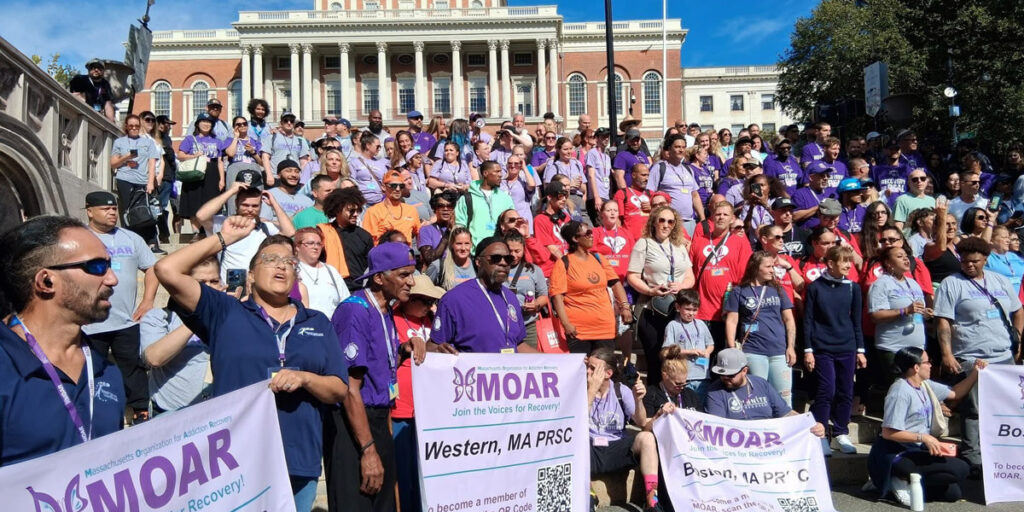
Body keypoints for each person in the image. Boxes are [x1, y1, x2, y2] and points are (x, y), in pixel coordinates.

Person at [154, 217, 348, 511]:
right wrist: (223, 238)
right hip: (234, 460)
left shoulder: (317, 322)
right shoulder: (224, 313)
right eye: (271, 259)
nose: (282, 265)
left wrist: (306, 379)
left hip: (298, 458)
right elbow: (166, 269)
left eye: (289, 262)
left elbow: (338, 388)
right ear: (251, 275)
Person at [0, 216, 125, 465]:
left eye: (110, 265)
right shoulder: (5, 366)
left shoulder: (105, 371)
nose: (112, 279)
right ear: (46, 281)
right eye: (97, 266)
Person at [327, 242, 419, 512]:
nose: (411, 282)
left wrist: (404, 349)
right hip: (354, 423)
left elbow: (379, 363)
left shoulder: (385, 309)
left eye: (411, 274)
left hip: (378, 419)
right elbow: (349, 388)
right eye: (403, 275)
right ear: (379, 277)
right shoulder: (355, 309)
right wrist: (367, 450)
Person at [934, 237, 1024, 469]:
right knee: (973, 409)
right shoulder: (951, 284)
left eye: (974, 261)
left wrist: (1018, 340)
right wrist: (947, 354)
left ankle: (1002, 453)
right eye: (964, 262)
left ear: (985, 259)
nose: (969, 265)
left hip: (1004, 354)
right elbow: (943, 321)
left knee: (1007, 409)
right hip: (973, 356)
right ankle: (973, 457)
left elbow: (1018, 311)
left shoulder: (1000, 280)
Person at [70, 192, 156, 425]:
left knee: (133, 367)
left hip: (125, 321)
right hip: (89, 322)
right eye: (105, 209)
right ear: (89, 211)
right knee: (90, 371)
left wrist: (148, 301)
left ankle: (140, 410)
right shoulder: (79, 239)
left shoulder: (131, 238)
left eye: (114, 209)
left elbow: (153, 269)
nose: (112, 213)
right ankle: (92, 413)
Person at [868, 348, 983, 505]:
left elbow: (955, 393)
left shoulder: (925, 384)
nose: (930, 365)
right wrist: (923, 437)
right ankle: (894, 478)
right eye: (927, 362)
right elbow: (888, 433)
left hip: (917, 448)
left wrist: (976, 373)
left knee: (953, 493)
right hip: (896, 451)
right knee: (960, 468)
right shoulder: (900, 391)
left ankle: (905, 482)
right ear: (916, 367)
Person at [803, 244, 865, 455]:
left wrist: (861, 350)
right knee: (826, 390)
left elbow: (857, 322)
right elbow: (808, 321)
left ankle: (840, 432)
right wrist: (808, 350)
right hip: (822, 347)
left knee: (846, 390)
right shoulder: (815, 287)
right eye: (843, 261)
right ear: (830, 263)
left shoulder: (853, 287)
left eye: (850, 261)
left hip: (847, 346)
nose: (848, 265)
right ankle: (821, 433)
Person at [140, 256, 220, 415]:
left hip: (217, 412)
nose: (209, 288)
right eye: (202, 282)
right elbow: (154, 358)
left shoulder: (228, 314)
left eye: (214, 281)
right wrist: (199, 316)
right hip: (172, 413)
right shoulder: (159, 317)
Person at [586, 348, 663, 512]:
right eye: (588, 366)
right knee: (574, 443)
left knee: (646, 438)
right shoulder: (582, 390)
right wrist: (591, 390)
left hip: (615, 447)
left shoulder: (620, 390)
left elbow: (642, 423)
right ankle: (588, 494)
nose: (587, 371)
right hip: (590, 449)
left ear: (607, 373)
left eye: (593, 368)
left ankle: (652, 499)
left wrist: (638, 399)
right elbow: (575, 423)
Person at [390, 274, 442, 512]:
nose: (428, 306)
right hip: (401, 407)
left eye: (431, 301)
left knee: (427, 471)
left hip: (430, 408)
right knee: (404, 472)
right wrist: (404, 348)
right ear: (408, 299)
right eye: (423, 300)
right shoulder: (392, 319)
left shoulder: (434, 321)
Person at [627, 206, 695, 384]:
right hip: (652, 309)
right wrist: (650, 290)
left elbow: (690, 276)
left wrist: (681, 285)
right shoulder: (644, 243)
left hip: (676, 308)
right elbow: (632, 276)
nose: (666, 225)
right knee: (656, 360)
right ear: (654, 222)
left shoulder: (679, 246)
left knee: (675, 359)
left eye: (670, 221)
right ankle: (654, 402)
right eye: (662, 220)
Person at [429, 237, 531, 353]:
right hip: (471, 370)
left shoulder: (511, 298)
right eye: (495, 258)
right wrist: (438, 350)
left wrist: (553, 363)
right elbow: (433, 346)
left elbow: (518, 344)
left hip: (507, 369)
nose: (503, 263)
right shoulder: (454, 299)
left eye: (508, 259)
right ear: (478, 262)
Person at [724, 251, 797, 405]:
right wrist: (733, 348)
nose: (772, 270)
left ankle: (783, 429)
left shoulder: (778, 289)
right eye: (768, 266)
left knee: (784, 398)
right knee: (756, 397)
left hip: (779, 352)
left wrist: (791, 347)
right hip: (753, 351)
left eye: (773, 266)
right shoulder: (739, 291)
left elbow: (789, 319)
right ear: (756, 268)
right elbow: (732, 321)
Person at [704, 349, 826, 439]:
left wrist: (810, 424)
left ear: (744, 371)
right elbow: (717, 428)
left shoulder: (760, 384)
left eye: (731, 375)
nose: (725, 378)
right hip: (738, 442)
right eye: (721, 374)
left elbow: (786, 413)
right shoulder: (715, 391)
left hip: (768, 439)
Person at [550, 221, 631, 354]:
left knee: (604, 371)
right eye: (587, 233)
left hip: (605, 328)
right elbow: (557, 297)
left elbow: (616, 284)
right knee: (583, 372)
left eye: (591, 232)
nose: (592, 235)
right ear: (575, 238)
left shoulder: (599, 258)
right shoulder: (563, 263)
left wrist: (625, 306)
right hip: (578, 330)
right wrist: (566, 324)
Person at [196, 182, 295, 282]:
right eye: (245, 205)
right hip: (229, 288)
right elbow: (201, 216)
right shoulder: (224, 223)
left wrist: (274, 203)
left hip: (257, 286)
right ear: (236, 203)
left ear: (261, 205)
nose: (250, 209)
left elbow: (290, 232)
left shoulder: (266, 227)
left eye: (255, 206)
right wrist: (230, 192)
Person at [689, 202, 753, 345]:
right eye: (718, 214)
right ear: (712, 217)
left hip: (728, 311)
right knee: (702, 355)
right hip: (701, 310)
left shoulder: (740, 242)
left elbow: (745, 274)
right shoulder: (699, 241)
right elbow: (690, 271)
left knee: (724, 357)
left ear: (732, 219)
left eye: (725, 214)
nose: (721, 217)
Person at [868, 245, 931, 383]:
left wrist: (925, 313)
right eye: (899, 256)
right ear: (888, 263)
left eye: (905, 255)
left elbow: (916, 311)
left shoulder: (913, 283)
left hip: (917, 348)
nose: (905, 259)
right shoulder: (881, 284)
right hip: (894, 348)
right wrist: (904, 311)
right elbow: (875, 315)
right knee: (899, 388)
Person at [177, 113, 227, 232]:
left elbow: (220, 162)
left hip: (212, 174)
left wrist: (222, 179)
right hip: (195, 174)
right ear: (197, 124)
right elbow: (180, 155)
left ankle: (207, 231)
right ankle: (196, 232)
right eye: (203, 121)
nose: (206, 124)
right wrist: (193, 156)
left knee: (210, 204)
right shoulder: (190, 139)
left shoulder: (217, 141)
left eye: (209, 122)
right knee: (193, 203)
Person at [661, 289, 714, 398]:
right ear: (678, 307)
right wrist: (689, 352)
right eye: (688, 309)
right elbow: (667, 350)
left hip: (703, 375)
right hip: (684, 377)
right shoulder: (673, 325)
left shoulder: (701, 324)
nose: (691, 313)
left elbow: (710, 344)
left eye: (694, 310)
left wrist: (707, 352)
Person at [318, 187, 373, 291]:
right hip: (329, 287)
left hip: (357, 289)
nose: (356, 214)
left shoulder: (364, 236)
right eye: (351, 211)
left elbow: (370, 266)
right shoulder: (322, 233)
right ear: (337, 209)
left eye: (358, 210)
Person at [647, 134, 704, 233]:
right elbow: (650, 192)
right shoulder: (659, 168)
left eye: (683, 147)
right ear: (669, 149)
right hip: (669, 222)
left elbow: (695, 195)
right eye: (677, 147)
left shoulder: (689, 169)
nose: (681, 150)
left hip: (690, 222)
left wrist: (702, 219)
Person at [503, 231, 549, 349]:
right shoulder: (496, 268)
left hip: (528, 325)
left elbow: (544, 295)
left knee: (529, 361)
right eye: (510, 251)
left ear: (524, 250)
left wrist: (536, 304)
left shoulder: (533, 270)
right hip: (502, 325)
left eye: (517, 251)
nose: (513, 255)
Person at [454, 161, 515, 247]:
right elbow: (460, 225)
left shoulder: (506, 199)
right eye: (497, 171)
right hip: (474, 251)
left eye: (500, 171)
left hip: (499, 250)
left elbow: (512, 223)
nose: (500, 175)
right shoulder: (467, 198)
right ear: (485, 173)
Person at [293, 227, 350, 317]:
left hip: (330, 327)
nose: (315, 247)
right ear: (297, 247)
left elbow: (345, 301)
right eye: (310, 243)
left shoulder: (331, 271)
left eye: (319, 244)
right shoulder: (292, 269)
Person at [362, 170, 421, 244]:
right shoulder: (373, 212)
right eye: (393, 186)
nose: (398, 189)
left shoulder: (411, 210)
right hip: (383, 253)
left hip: (405, 253)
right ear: (383, 187)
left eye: (401, 186)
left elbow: (420, 235)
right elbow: (368, 241)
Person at [531, 181, 573, 277]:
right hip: (552, 271)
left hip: (567, 266)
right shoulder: (540, 219)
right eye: (560, 196)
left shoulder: (566, 217)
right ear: (549, 197)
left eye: (566, 196)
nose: (564, 199)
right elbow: (552, 249)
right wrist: (570, 266)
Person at [757, 224, 804, 304]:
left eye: (783, 237)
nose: (782, 240)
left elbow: (800, 286)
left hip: (790, 310)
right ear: (764, 239)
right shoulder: (756, 260)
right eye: (777, 237)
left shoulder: (787, 259)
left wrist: (788, 266)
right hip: (768, 310)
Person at [591, 201, 635, 282]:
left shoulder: (626, 233)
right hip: (604, 279)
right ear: (601, 214)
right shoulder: (596, 232)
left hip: (625, 279)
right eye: (608, 210)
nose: (612, 213)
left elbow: (634, 255)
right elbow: (591, 253)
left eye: (615, 210)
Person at [417, 190, 459, 266]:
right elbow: (429, 259)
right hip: (437, 272)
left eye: (449, 206)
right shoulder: (426, 230)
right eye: (441, 206)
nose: (445, 209)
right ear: (434, 209)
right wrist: (447, 234)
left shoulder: (460, 229)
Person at [613, 163, 654, 240]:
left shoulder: (651, 194)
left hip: (650, 239)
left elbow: (662, 212)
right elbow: (617, 220)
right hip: (630, 240)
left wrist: (652, 208)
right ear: (634, 175)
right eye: (643, 175)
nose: (646, 178)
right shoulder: (622, 193)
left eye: (648, 175)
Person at [500, 151, 537, 232]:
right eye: (510, 163)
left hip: (522, 222)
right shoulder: (501, 183)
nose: (513, 166)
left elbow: (532, 185)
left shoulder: (523, 182)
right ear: (506, 165)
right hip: (507, 224)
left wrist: (524, 167)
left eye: (516, 163)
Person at [792, 161, 837, 226]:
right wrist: (818, 208)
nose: (826, 178)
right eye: (822, 175)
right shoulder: (800, 194)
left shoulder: (831, 193)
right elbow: (794, 217)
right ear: (811, 177)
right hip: (809, 233)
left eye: (827, 175)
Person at [585, 127, 614, 218]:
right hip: (596, 196)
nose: (606, 139)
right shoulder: (592, 153)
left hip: (606, 196)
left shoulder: (607, 157)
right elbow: (591, 175)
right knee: (600, 223)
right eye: (603, 137)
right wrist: (596, 197)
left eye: (607, 137)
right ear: (597, 139)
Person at [986, 225, 1024, 292]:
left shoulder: (1014, 257)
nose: (1008, 241)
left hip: (1019, 300)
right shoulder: (987, 258)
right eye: (1004, 237)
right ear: (991, 240)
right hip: (999, 299)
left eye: (1008, 237)